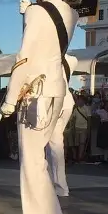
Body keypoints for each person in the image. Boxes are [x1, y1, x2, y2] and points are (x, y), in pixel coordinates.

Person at [0, 0, 78, 214]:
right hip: (57, 90)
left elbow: (25, 56)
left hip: (36, 93)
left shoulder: (36, 12)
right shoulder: (72, 13)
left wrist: (9, 99)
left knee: (31, 163)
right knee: (40, 161)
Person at [45, 55, 78, 196]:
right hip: (66, 102)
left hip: (55, 103)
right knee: (52, 143)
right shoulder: (70, 59)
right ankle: (53, 181)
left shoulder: (47, 58)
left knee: (54, 144)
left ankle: (60, 185)